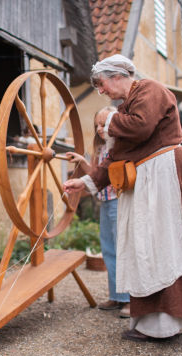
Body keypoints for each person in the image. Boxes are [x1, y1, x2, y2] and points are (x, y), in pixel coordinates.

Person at [63, 54, 182, 341]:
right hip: (146, 179)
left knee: (166, 243)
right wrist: (87, 181)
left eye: (102, 84)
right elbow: (114, 157)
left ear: (118, 76)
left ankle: (173, 321)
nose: (101, 91)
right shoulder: (125, 107)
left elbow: (141, 126)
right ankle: (155, 321)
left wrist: (109, 124)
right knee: (146, 246)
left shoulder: (150, 90)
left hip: (163, 176)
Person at [66, 106, 130, 318]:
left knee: (123, 250)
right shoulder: (102, 148)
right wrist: (83, 162)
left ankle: (130, 299)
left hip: (118, 201)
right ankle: (117, 296)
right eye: (97, 126)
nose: (100, 129)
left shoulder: (120, 148)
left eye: (104, 124)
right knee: (109, 250)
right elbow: (96, 176)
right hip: (105, 202)